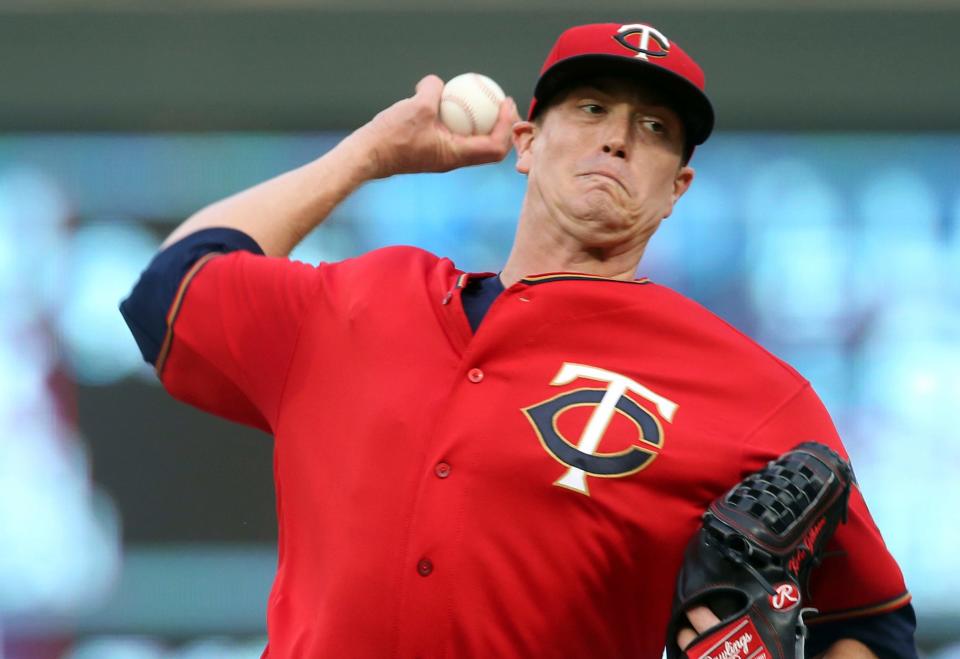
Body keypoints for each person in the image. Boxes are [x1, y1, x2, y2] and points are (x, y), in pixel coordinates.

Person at [121, 22, 917, 658]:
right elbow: (170, 291)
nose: (616, 139)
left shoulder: (753, 395)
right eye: (592, 108)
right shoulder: (360, 302)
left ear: (677, 187)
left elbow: (875, 624)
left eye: (653, 127)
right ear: (528, 141)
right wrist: (366, 155)